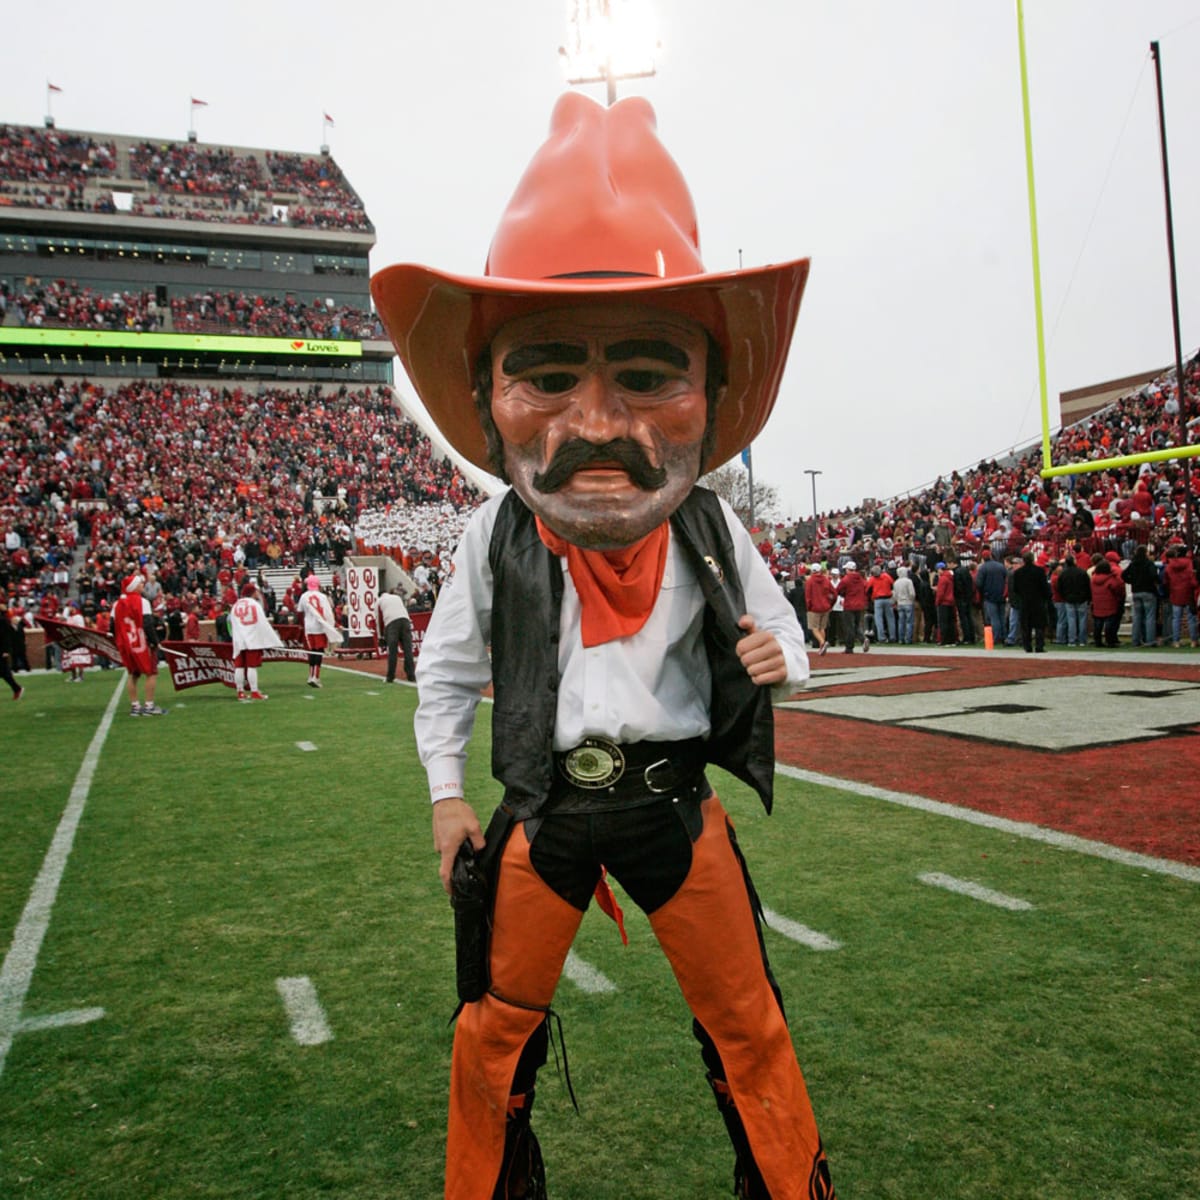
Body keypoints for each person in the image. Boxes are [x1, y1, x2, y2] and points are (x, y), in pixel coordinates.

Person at [372, 92, 833, 1199]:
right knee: (493, 1033)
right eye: (546, 373)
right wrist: (446, 795)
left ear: (710, 396)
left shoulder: (714, 527)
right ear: (488, 398)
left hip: (677, 806)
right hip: (547, 812)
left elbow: (783, 632)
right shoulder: (491, 536)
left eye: (644, 373)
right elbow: (442, 675)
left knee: (749, 1028)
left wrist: (786, 658)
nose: (595, 422)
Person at [112, 573, 167, 716]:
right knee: (151, 672)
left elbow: (112, 627)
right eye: (140, 583)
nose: (143, 585)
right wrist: (155, 642)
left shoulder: (117, 604)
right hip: (142, 643)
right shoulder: (142, 602)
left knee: (133, 674)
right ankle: (149, 706)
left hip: (126, 644)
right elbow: (148, 624)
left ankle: (135, 706)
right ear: (133, 586)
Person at [229, 580, 281, 700]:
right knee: (251, 666)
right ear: (252, 592)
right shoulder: (255, 604)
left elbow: (232, 624)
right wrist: (271, 640)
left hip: (239, 640)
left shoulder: (235, 605)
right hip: (252, 639)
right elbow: (262, 623)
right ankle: (254, 691)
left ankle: (240, 692)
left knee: (239, 666)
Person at [296, 573, 342, 688]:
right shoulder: (322, 597)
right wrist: (335, 624)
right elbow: (328, 614)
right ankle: (316, 677)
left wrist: (302, 624)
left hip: (309, 628)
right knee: (319, 651)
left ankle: (311, 675)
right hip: (320, 627)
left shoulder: (304, 596)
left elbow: (299, 613)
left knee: (312, 652)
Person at [1010, 552, 1051, 653]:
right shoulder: (1040, 571)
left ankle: (1027, 646)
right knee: (1039, 625)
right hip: (1038, 601)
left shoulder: (1018, 573)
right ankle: (1039, 646)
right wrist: (1045, 597)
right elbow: (1045, 587)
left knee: (1026, 625)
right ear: (1033, 559)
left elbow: (1015, 589)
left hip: (1024, 601)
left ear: (1023, 560)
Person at [378, 580, 417, 683]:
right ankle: (411, 675)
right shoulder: (396, 597)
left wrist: (380, 636)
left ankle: (390, 676)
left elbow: (378, 620)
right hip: (405, 620)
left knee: (393, 651)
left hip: (391, 623)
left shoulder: (379, 601)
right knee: (408, 650)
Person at [1162, 544, 1198, 647]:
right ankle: (1193, 640)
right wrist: (1195, 586)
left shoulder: (1170, 565)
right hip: (1188, 593)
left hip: (1175, 594)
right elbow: (1191, 579)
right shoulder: (1188, 563)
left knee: (1176, 618)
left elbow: (1166, 580)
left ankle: (1176, 641)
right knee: (1191, 618)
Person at [1124, 544, 1159, 647]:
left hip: (1136, 591)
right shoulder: (1149, 563)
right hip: (1148, 591)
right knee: (1150, 617)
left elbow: (1124, 575)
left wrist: (1132, 581)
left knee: (1137, 617)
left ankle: (1135, 641)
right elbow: (1154, 575)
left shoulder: (1133, 564)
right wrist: (1156, 582)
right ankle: (1150, 641)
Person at [974, 549, 1007, 648]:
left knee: (994, 618)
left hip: (989, 596)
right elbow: (1006, 579)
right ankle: (1004, 636)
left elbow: (978, 583)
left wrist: (983, 591)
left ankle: (997, 637)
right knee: (1002, 617)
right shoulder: (1001, 566)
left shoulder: (982, 568)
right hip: (1001, 595)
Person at [1056, 553, 1090, 647]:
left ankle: (1072, 640)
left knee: (1071, 619)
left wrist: (1065, 596)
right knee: (1082, 619)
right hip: (1081, 598)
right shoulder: (1082, 572)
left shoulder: (1063, 574)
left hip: (1069, 599)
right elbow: (1087, 586)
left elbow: (1059, 587)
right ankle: (1082, 640)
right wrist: (1087, 597)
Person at [1089, 559, 1124, 647]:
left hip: (1097, 604)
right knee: (1109, 625)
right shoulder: (1111, 579)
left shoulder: (1093, 579)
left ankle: (1098, 641)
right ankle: (1110, 641)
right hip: (1110, 604)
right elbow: (1118, 588)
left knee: (1098, 624)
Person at [836, 560, 869, 653]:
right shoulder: (861, 579)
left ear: (848, 569)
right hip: (860, 604)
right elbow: (866, 587)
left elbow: (839, 589)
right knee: (856, 625)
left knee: (849, 627)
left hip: (849, 604)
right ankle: (862, 639)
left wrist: (844, 594)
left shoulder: (846, 579)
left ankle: (849, 647)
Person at [804, 562, 835, 655]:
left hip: (814, 607)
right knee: (822, 628)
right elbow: (834, 593)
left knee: (814, 628)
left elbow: (808, 596)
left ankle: (822, 642)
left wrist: (808, 606)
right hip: (825, 607)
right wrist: (830, 604)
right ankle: (822, 647)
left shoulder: (809, 581)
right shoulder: (826, 580)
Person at [60, 602, 93, 681]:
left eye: (69, 606)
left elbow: (81, 628)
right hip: (70, 640)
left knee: (79, 658)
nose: (68, 608)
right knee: (71, 659)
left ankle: (81, 676)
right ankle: (73, 675)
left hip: (77, 640)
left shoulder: (78, 617)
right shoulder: (69, 617)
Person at [1, 608, 25, 700]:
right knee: (4, 673)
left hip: (2, 650)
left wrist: (6, 650)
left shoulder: (3, 621)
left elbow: (6, 636)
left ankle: (17, 688)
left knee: (4, 672)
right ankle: (17, 688)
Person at [934, 561, 957, 645]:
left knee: (943, 623)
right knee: (951, 622)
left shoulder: (943, 578)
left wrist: (937, 602)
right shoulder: (950, 577)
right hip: (951, 602)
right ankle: (952, 640)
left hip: (943, 603)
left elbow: (940, 593)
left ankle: (944, 640)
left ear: (940, 569)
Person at [892, 564, 916, 644]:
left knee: (901, 622)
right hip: (908, 603)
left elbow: (894, 595)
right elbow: (912, 593)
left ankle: (900, 639)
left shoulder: (896, 582)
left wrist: (896, 601)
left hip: (900, 603)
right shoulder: (908, 581)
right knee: (909, 622)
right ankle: (908, 639)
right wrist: (911, 600)